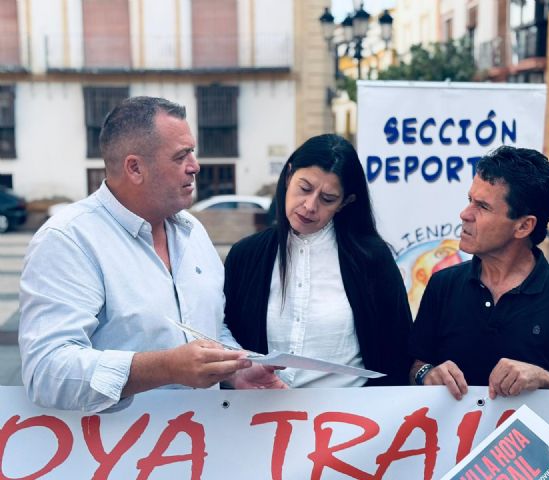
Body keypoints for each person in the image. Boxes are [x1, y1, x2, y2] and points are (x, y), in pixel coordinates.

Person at [19, 96, 285, 413]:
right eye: (181, 156)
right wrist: (165, 368)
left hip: (206, 436)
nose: (195, 166)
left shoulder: (192, 231)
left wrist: (236, 369)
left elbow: (209, 328)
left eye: (192, 152)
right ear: (135, 168)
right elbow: (47, 372)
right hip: (121, 443)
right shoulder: (69, 240)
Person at [409, 146, 549, 400]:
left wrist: (544, 379)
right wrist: (427, 373)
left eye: (483, 206)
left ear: (524, 226)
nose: (465, 214)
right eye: (470, 200)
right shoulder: (443, 284)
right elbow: (414, 364)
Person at [223, 134, 413, 387]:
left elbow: (398, 350)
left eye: (328, 199)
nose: (310, 206)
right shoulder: (246, 255)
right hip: (262, 408)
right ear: (288, 176)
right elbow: (223, 335)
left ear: (345, 202)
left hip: (351, 409)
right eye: (304, 188)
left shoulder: (371, 259)